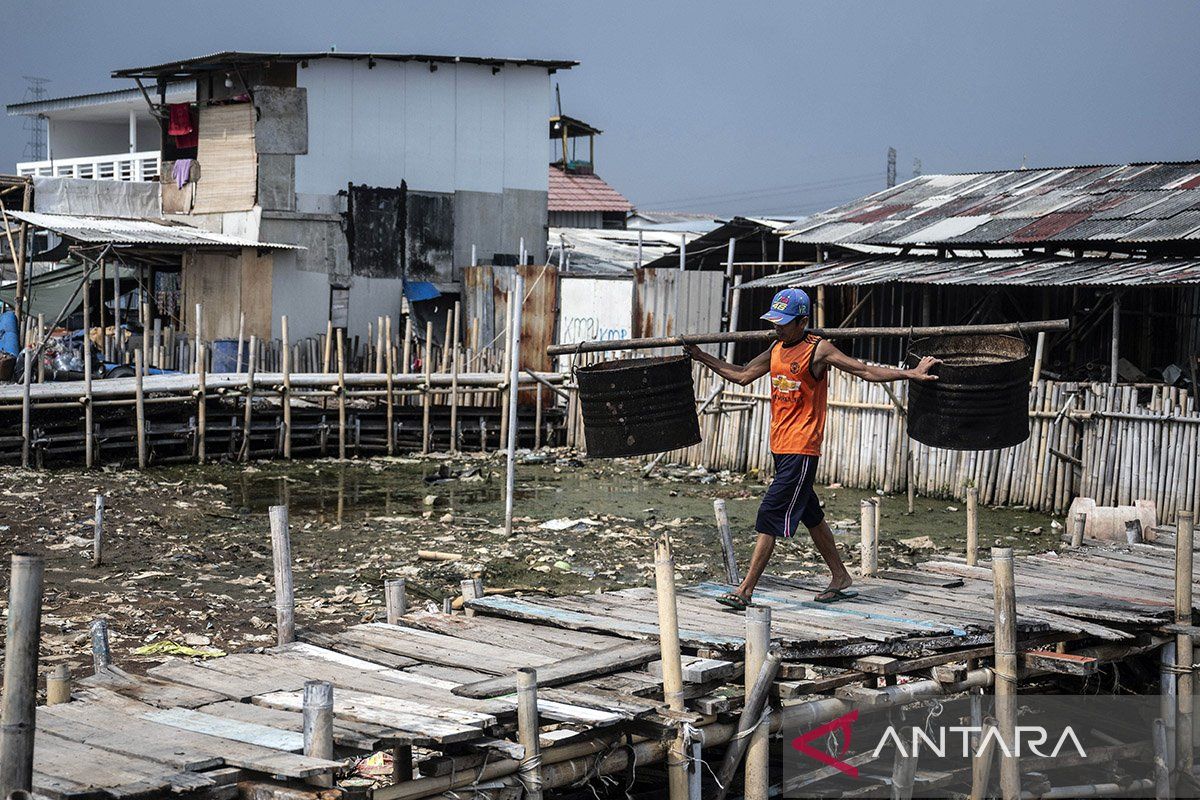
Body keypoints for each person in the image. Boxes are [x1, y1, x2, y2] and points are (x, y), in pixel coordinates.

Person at [683, 288, 940, 607]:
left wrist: (909, 374)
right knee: (810, 515)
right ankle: (840, 577)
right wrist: (700, 355)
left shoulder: (817, 350)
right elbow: (743, 375)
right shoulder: (776, 348)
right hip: (780, 447)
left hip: (802, 448)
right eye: (775, 322)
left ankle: (745, 590)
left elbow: (863, 370)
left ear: (803, 322)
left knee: (769, 514)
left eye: (784, 323)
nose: (778, 327)